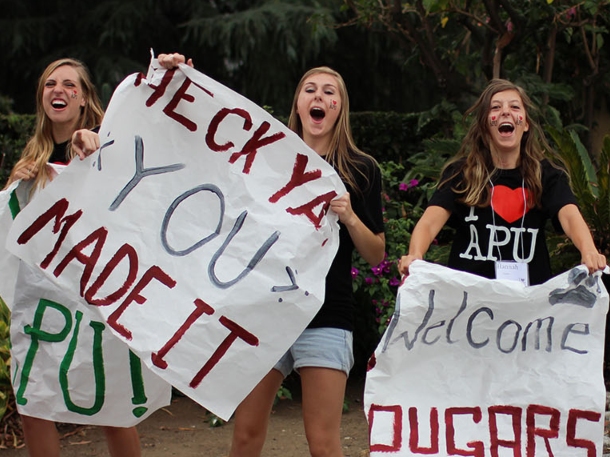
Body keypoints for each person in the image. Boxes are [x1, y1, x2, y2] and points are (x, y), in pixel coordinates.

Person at [228, 66, 385, 457]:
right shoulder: (267, 159)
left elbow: (377, 253)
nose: (318, 97)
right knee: (245, 436)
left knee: (323, 443)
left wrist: (350, 218)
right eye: (309, 90)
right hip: (264, 312)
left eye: (328, 92)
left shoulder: (361, 168)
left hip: (326, 315)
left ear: (339, 107)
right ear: (297, 104)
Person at [3, 58, 141, 457]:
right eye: (50, 84)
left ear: (84, 98)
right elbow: (14, 227)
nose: (58, 90)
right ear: (42, 96)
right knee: (33, 399)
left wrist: (98, 150)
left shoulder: (106, 140)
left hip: (97, 295)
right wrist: (15, 185)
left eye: (69, 84)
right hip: (45, 300)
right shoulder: (33, 156)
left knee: (114, 407)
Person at [398, 78, 606, 283]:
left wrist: (589, 251)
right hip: (470, 303)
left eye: (515, 106)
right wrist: (415, 255)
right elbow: (429, 222)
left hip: (527, 305)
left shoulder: (547, 175)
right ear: (484, 125)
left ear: (525, 124)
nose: (506, 111)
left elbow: (570, 216)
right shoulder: (461, 173)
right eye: (495, 107)